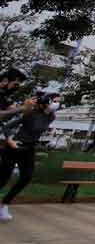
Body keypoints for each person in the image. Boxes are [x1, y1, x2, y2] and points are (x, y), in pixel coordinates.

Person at [0, 92, 60, 222]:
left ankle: (4, 204)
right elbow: (7, 126)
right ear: (46, 101)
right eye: (55, 101)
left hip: (29, 148)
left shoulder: (51, 117)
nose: (57, 103)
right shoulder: (30, 114)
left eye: (58, 101)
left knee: (26, 177)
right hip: (14, 147)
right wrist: (10, 140)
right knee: (3, 178)